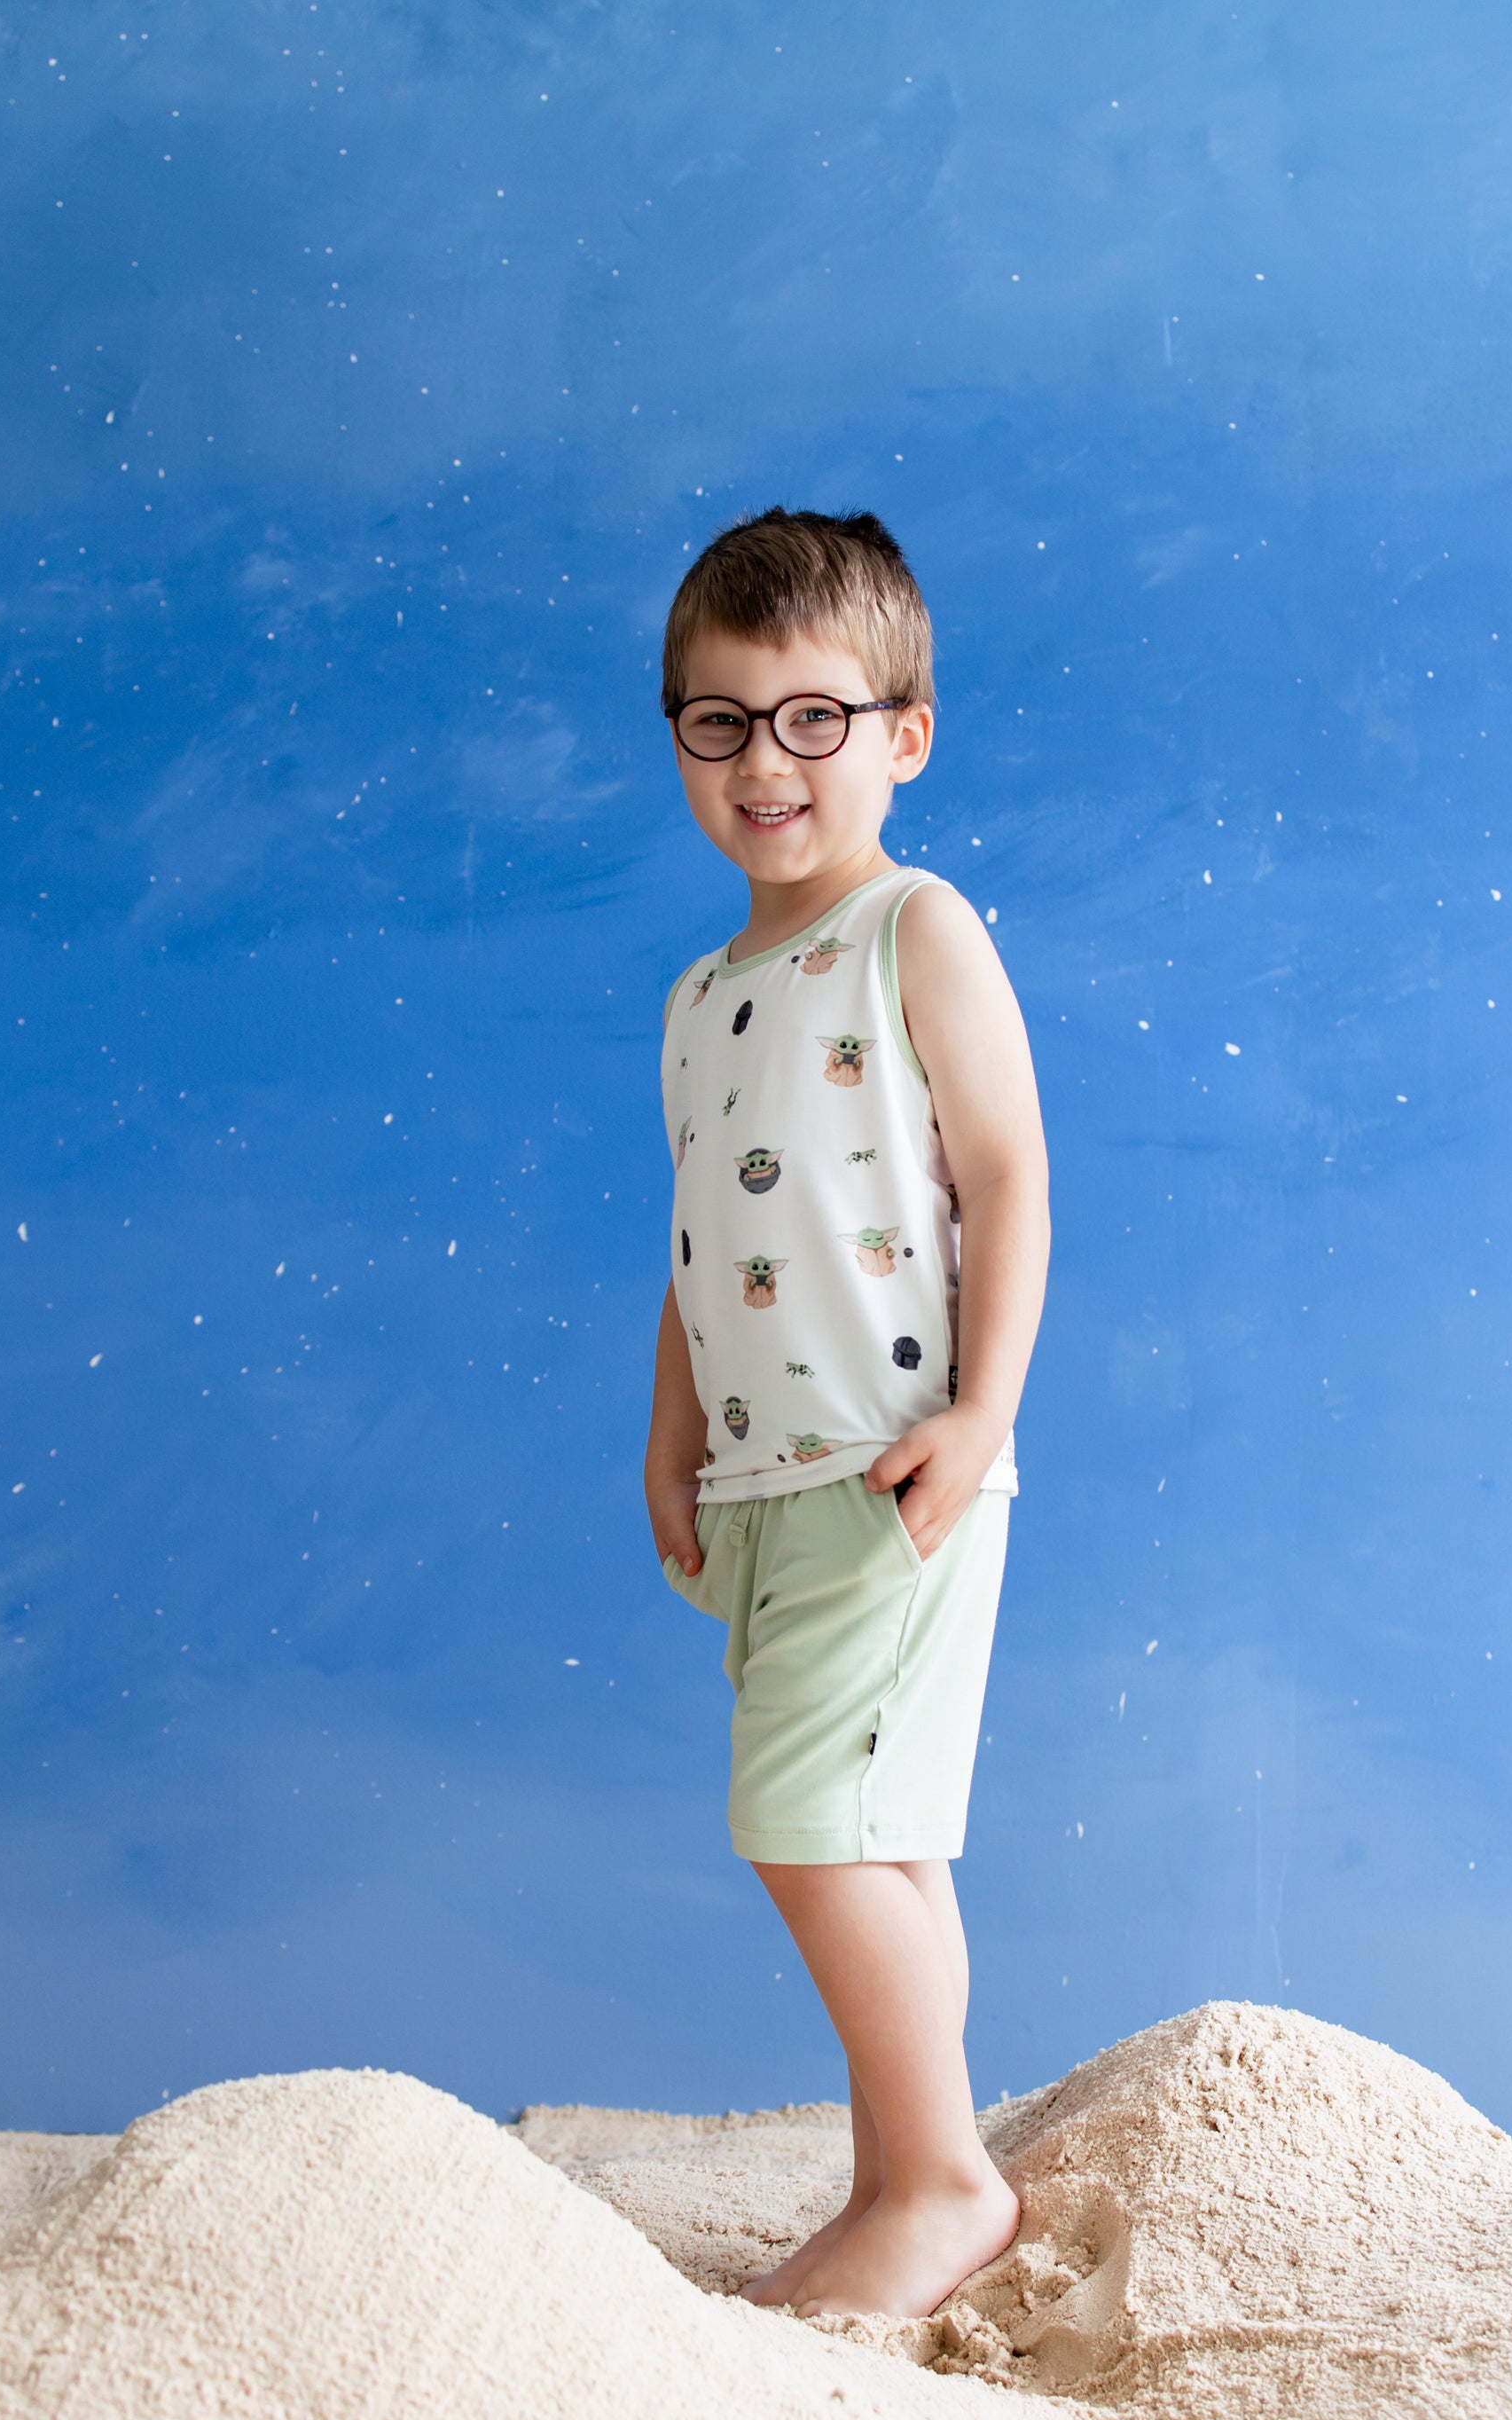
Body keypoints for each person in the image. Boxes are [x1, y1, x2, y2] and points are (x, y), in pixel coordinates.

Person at [645, 507, 1050, 2322]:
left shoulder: (914, 926)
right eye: (718, 722)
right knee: (876, 1830)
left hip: (891, 1467)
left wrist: (979, 1414)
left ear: (905, 732)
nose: (763, 764)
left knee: (800, 1823)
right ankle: (911, 2168)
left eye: (812, 718)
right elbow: (703, 1234)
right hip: (759, 1482)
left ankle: (940, 2183)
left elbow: (1009, 1173)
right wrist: (670, 1435)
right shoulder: (703, 993)